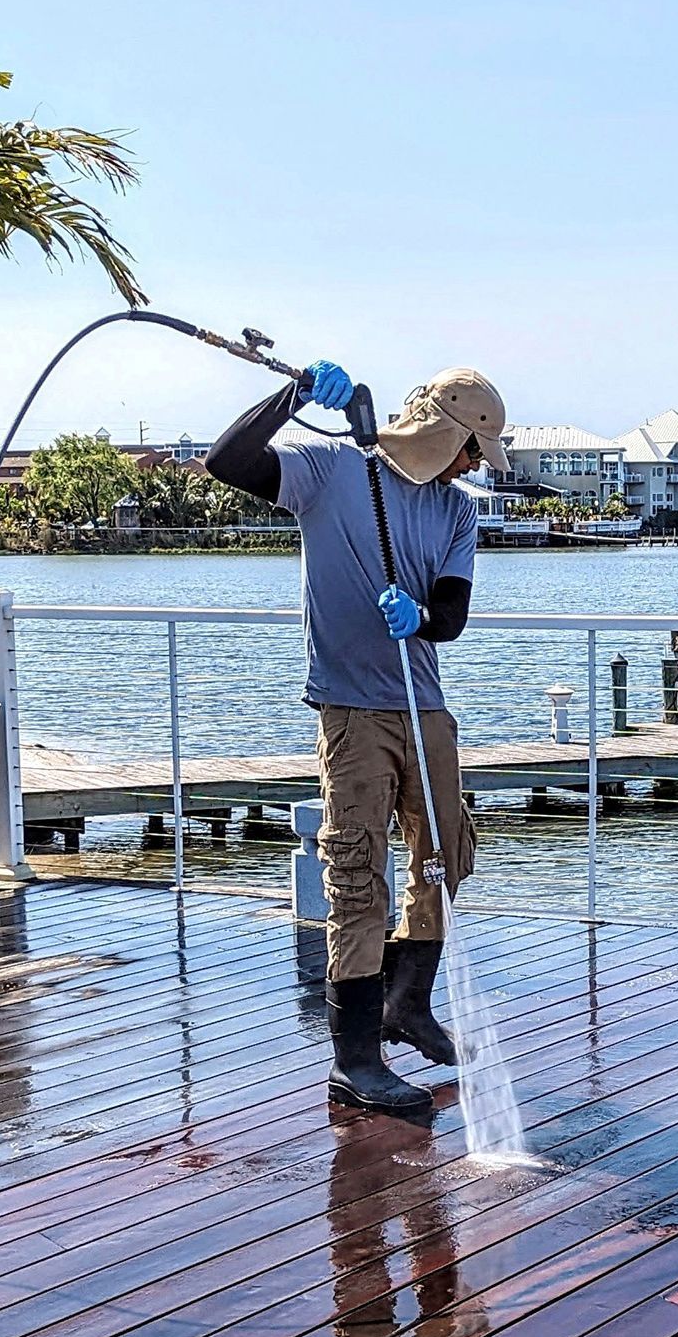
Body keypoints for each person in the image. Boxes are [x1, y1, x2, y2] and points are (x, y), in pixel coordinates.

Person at [206, 360, 509, 1116]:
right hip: (349, 708)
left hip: (423, 705)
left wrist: (422, 617)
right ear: (446, 436)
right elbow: (227, 461)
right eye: (473, 449)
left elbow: (451, 613)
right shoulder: (330, 471)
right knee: (356, 869)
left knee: (448, 853)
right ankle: (356, 1060)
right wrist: (295, 396)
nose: (476, 467)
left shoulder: (457, 511)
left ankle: (407, 1001)